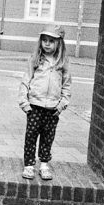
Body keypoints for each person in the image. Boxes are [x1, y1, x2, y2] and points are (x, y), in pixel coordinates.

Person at [18, 24, 72, 180]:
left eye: (52, 41)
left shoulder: (62, 63)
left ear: (59, 43)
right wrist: (24, 102)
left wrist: (62, 104)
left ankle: (44, 164)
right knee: (31, 136)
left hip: (53, 108)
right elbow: (26, 80)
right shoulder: (36, 59)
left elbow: (66, 85)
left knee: (48, 137)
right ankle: (29, 165)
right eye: (45, 40)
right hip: (34, 106)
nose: (47, 44)